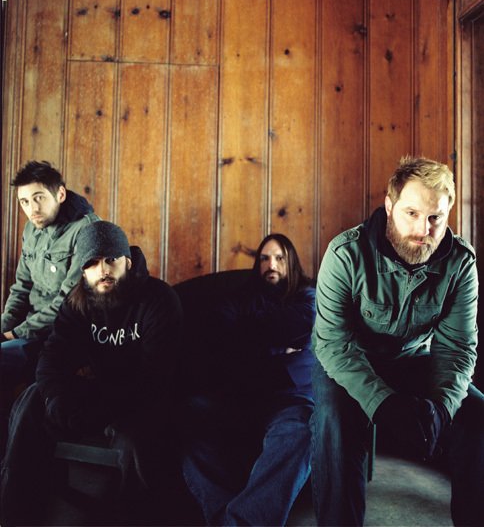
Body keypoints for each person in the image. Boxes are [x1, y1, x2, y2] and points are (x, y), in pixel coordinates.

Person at [310, 156, 484, 526]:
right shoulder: (345, 254)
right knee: (333, 422)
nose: (424, 229)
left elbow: (456, 349)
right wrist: (384, 404)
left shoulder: (461, 263)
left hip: (413, 359)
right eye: (412, 213)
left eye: (435, 217)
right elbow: (333, 344)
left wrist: (442, 408)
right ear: (390, 207)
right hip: (348, 364)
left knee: (478, 416)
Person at [0, 221, 183, 526]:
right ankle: (14, 515)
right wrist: (57, 399)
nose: (103, 270)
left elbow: (156, 377)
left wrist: (96, 409)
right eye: (92, 263)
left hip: (143, 400)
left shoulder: (158, 299)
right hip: (96, 392)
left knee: (140, 439)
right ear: (83, 271)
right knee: (33, 399)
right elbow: (52, 358)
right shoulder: (78, 301)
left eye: (111, 259)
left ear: (127, 262)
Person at [182, 233, 315, 526]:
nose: (272, 265)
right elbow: (217, 333)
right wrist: (277, 345)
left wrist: (247, 336)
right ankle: (227, 517)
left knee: (302, 432)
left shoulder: (309, 296)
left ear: (291, 262)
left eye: (279, 258)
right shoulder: (241, 297)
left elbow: (302, 321)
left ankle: (241, 522)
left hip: (292, 397)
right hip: (243, 394)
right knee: (187, 416)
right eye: (265, 258)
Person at [1, 160, 99, 380]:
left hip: (62, 334)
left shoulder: (86, 229)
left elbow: (69, 302)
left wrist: (14, 334)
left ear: (60, 194)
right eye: (25, 202)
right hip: (27, 329)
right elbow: (21, 288)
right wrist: (4, 328)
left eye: (39, 198)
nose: (32, 209)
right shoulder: (31, 228)